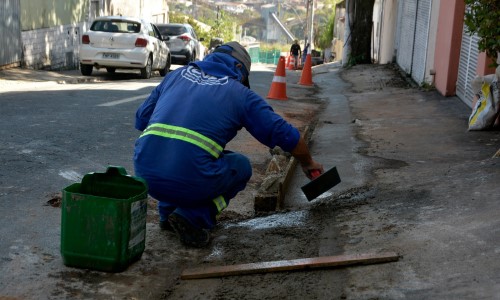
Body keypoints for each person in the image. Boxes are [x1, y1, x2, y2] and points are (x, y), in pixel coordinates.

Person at [133, 41, 323, 248]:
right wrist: (307, 161)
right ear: (239, 68)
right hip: (188, 177)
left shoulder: (176, 76)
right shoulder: (239, 94)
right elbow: (285, 134)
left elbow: (141, 119)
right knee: (240, 166)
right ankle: (192, 216)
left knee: (183, 151)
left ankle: (167, 215)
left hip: (145, 173)